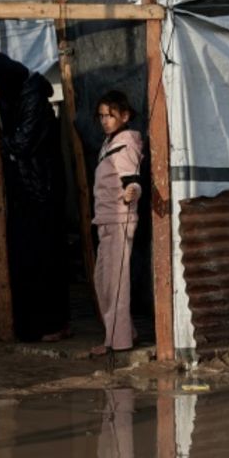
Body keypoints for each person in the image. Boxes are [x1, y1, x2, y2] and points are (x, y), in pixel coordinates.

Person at [0, 52, 71, 342]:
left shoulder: (32, 100)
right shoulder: (17, 95)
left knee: (41, 259)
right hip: (28, 191)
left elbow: (21, 142)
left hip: (39, 191)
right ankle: (38, 324)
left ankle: (51, 324)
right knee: (29, 259)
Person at [91, 91, 144, 357]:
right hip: (106, 220)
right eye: (101, 116)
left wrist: (132, 191)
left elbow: (132, 178)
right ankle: (124, 332)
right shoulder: (109, 143)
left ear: (124, 116)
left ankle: (118, 341)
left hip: (119, 220)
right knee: (103, 281)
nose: (105, 121)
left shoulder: (126, 144)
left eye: (110, 115)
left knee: (115, 284)